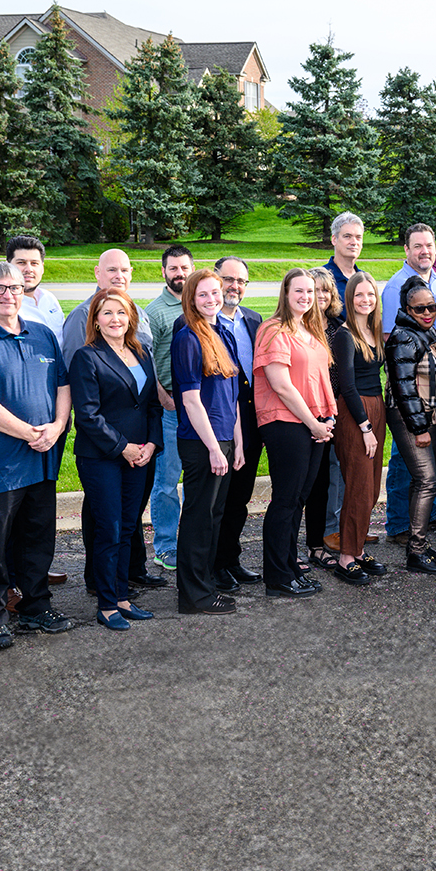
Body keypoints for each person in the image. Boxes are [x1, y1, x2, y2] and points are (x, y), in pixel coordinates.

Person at [0, 262, 75, 650]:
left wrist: (56, 429)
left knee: (38, 537)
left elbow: (63, 386)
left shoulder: (41, 335)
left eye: (16, 288)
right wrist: (30, 434)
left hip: (41, 459)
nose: (8, 295)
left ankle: (36, 605)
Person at [61, 247, 161, 595]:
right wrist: (123, 447)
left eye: (125, 270)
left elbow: (148, 401)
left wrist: (150, 443)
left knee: (127, 523)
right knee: (108, 524)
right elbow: (86, 404)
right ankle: (103, 590)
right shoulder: (84, 338)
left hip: (140, 450)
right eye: (108, 313)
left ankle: (125, 582)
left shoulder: (140, 345)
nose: (115, 318)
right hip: (105, 450)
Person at [254, 268, 339, 598]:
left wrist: (326, 418)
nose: (305, 297)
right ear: (285, 294)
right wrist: (313, 423)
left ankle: (290, 567)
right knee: (286, 500)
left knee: (299, 499)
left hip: (315, 423)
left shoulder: (311, 330)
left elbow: (318, 380)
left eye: (310, 291)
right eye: (298, 291)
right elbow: (282, 386)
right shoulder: (273, 330)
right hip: (286, 424)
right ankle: (277, 576)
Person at [379, 223, 436, 540]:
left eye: (429, 245)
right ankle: (399, 522)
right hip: (412, 386)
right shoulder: (396, 288)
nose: (425, 251)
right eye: (417, 246)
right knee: (405, 458)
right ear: (406, 250)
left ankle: (434, 510)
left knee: (435, 454)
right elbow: (392, 344)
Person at [171, 270, 246, 616]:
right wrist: (215, 448)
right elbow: (190, 400)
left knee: (215, 516)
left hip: (226, 438)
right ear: (191, 298)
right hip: (202, 443)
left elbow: (232, 397)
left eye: (215, 292)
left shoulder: (223, 333)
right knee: (199, 518)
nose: (212, 299)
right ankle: (193, 596)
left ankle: (205, 585)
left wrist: (238, 444)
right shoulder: (188, 337)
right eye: (203, 294)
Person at [384, 279, 436, 574]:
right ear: (407, 309)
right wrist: (419, 428)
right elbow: (403, 388)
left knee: (423, 480)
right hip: (410, 418)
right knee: (426, 480)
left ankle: (419, 542)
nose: (428, 312)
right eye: (420, 308)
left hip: (430, 415)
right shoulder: (403, 337)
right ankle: (416, 550)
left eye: (432, 307)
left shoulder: (427, 331)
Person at [327, 272, 388, 584]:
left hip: (376, 408)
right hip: (356, 414)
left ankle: (359, 548)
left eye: (371, 295)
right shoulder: (344, 335)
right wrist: (365, 427)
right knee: (359, 487)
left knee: (372, 487)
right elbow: (347, 387)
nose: (366, 300)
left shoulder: (373, 330)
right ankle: (346, 558)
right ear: (349, 299)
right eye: (360, 295)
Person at [211, 256, 266, 591]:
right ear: (215, 280)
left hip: (250, 421)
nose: (234, 287)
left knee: (240, 497)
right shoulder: (201, 322)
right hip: (217, 424)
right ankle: (212, 565)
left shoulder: (253, 320)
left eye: (241, 281)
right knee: (217, 499)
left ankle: (231, 559)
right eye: (228, 279)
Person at [145, 244, 194, 572]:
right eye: (173, 269)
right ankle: (165, 546)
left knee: (199, 477)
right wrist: (162, 395)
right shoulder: (154, 311)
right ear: (163, 272)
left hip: (201, 406)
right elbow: (146, 359)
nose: (179, 274)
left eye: (184, 268)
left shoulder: (201, 303)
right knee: (167, 481)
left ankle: (194, 541)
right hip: (171, 407)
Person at [302, 267, 347, 560]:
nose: (320, 296)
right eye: (313, 290)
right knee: (312, 482)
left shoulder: (338, 326)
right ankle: (313, 544)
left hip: (337, 410)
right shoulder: (298, 326)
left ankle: (328, 535)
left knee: (333, 476)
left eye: (325, 290)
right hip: (306, 413)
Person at [0, 235, 66, 336]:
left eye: (34, 263)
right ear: (8, 265)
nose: (29, 269)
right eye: (21, 263)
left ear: (42, 267)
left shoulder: (49, 299)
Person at [322, 211, 366, 312]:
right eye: (347, 236)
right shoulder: (321, 279)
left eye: (358, 237)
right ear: (334, 239)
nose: (354, 242)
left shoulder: (365, 279)